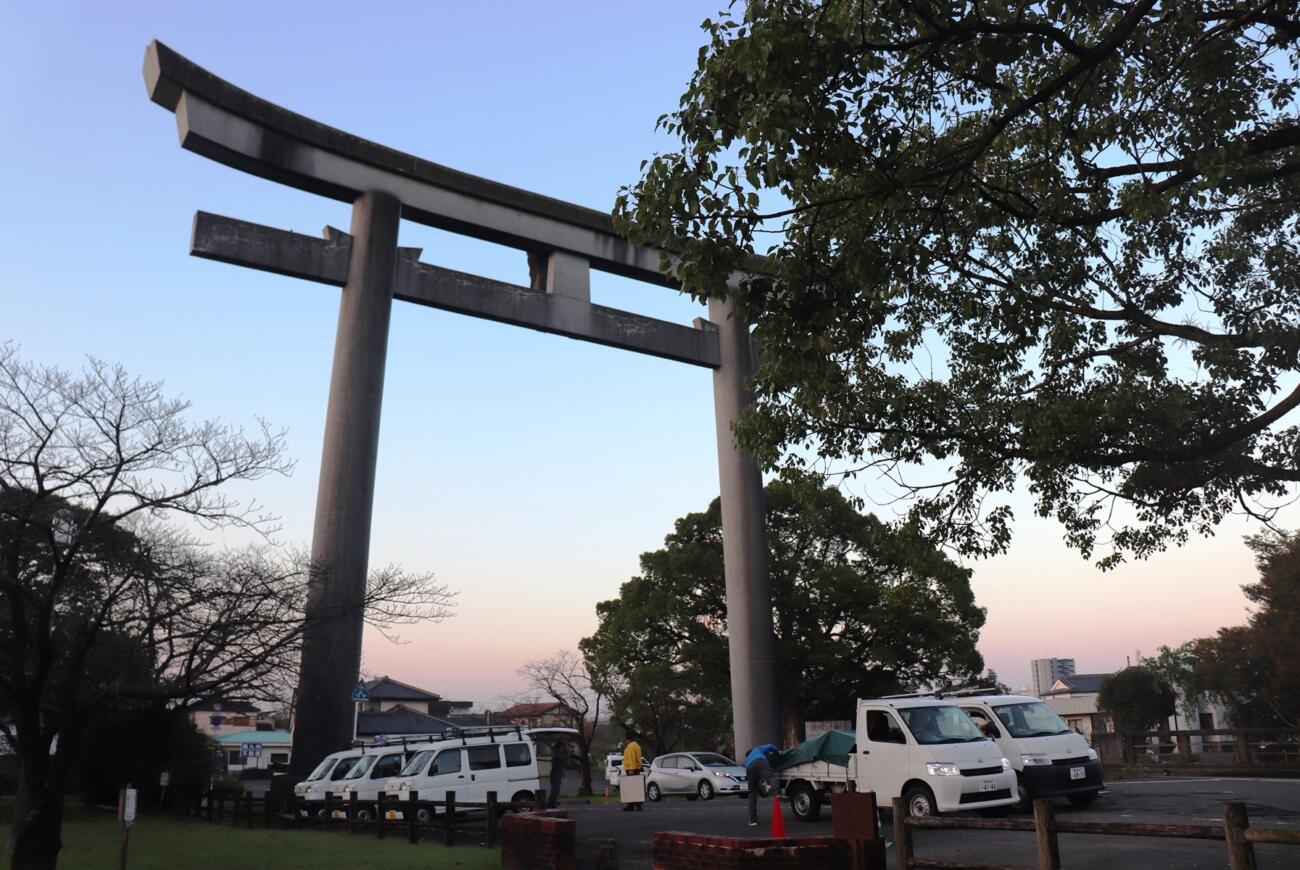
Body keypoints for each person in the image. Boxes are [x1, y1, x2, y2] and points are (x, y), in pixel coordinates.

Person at [744, 743, 781, 827]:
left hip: (749, 768)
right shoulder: (757, 749)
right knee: (770, 777)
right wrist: (777, 753)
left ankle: (753, 820)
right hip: (761, 761)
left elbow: (757, 782)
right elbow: (771, 746)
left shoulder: (746, 761)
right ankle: (777, 793)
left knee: (752, 794)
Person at [621, 732, 644, 812]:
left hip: (632, 769)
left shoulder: (630, 746)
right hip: (636, 769)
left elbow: (631, 758)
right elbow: (638, 757)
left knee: (632, 789)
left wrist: (631, 769)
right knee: (635, 788)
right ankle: (633, 805)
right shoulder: (636, 745)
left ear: (627, 738)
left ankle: (635, 805)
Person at [545, 741, 571, 809]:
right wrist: (567, 750)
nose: (563, 748)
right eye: (562, 747)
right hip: (555, 775)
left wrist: (566, 750)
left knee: (556, 791)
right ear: (560, 747)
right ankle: (549, 804)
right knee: (555, 791)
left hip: (556, 775)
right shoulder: (557, 754)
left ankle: (552, 804)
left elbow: (565, 758)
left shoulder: (557, 753)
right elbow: (565, 757)